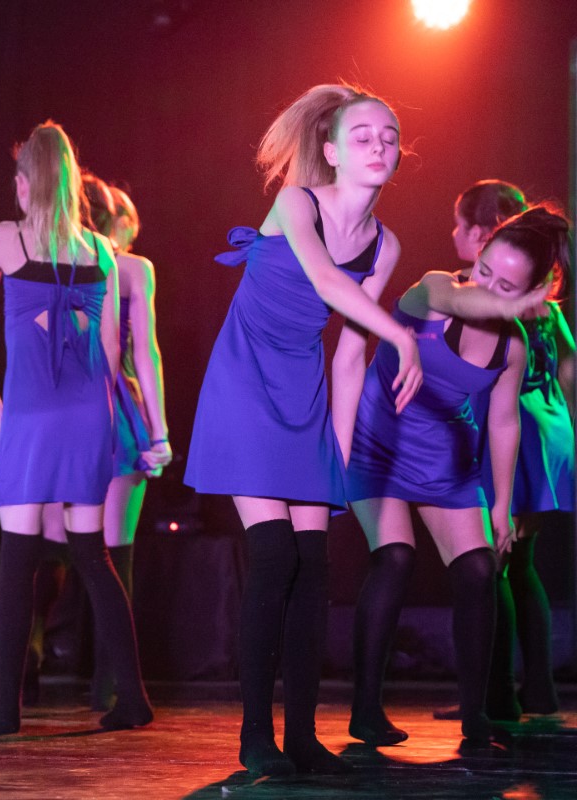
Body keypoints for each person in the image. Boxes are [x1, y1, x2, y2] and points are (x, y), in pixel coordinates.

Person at [184, 84, 424, 776]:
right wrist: (402, 337)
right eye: (362, 136)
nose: (379, 146)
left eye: (389, 137)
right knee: (275, 556)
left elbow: (348, 355)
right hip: (245, 382)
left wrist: (337, 454)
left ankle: (303, 737)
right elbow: (323, 280)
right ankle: (255, 735)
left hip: (306, 392)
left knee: (314, 566)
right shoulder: (296, 203)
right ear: (331, 150)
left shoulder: (384, 242)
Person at [346, 205, 567, 749]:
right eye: (485, 269)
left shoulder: (513, 345)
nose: (487, 286)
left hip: (445, 460)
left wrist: (502, 506)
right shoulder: (433, 289)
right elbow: (462, 299)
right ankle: (365, 709)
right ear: (480, 251)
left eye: (507, 286)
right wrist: (507, 301)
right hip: (379, 445)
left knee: (479, 568)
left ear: (530, 291)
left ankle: (477, 715)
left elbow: (504, 422)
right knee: (395, 557)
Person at [0, 121, 153, 736]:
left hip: (31, 413)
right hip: (88, 415)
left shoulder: (5, 237)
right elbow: (109, 348)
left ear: (25, 183)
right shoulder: (101, 251)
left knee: (18, 558)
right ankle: (132, 698)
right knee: (92, 555)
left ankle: (6, 707)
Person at [30, 176, 171, 711]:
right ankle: (111, 688)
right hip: (112, 411)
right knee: (113, 551)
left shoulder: (48, 262)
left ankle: (28, 666)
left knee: (52, 546)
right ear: (115, 220)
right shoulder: (132, 268)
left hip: (60, 408)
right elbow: (146, 352)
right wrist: (159, 429)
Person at [448, 181, 573, 720]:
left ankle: (493, 695)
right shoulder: (544, 302)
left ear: (483, 232)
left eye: (460, 225)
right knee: (520, 565)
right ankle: (536, 689)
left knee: (493, 563)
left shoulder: (483, 298)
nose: (455, 235)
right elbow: (570, 363)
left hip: (516, 435)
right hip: (551, 434)